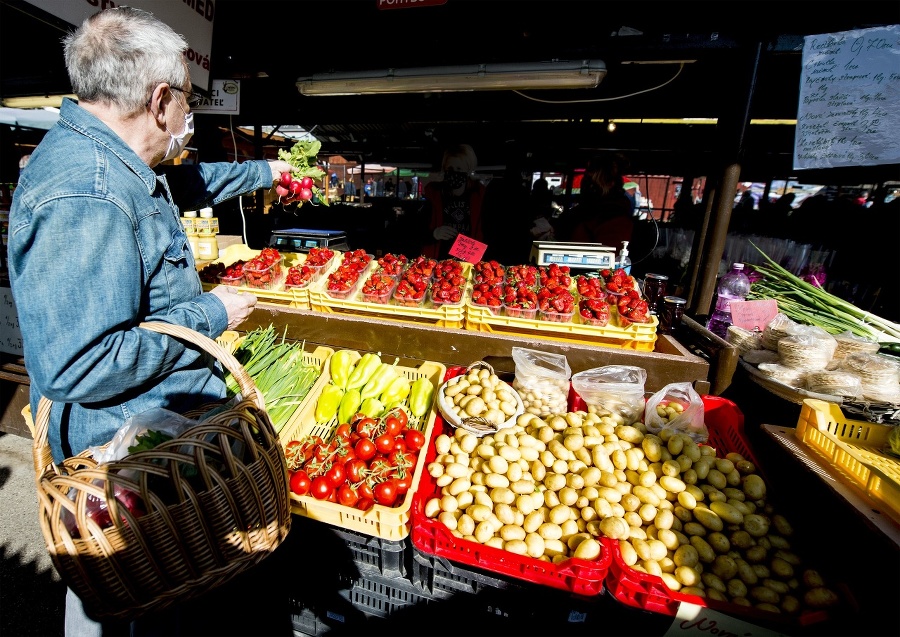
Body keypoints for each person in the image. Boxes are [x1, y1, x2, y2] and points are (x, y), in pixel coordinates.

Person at [7, 7, 293, 635]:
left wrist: (267, 172)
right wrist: (209, 312)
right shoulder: (88, 193)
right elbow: (78, 364)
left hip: (143, 443)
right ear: (160, 99)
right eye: (186, 100)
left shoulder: (120, 163)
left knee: (132, 605)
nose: (186, 116)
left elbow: (190, 182)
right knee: (131, 608)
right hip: (121, 461)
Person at [420, 143, 486, 259]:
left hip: (469, 259)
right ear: (444, 169)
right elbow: (416, 231)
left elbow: (487, 231)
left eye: (459, 169)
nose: (454, 172)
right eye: (450, 169)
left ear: (468, 170)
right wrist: (434, 234)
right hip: (438, 259)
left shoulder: (480, 196)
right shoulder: (434, 195)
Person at [557, 152, 635, 249]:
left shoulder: (615, 217)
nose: (584, 182)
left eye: (589, 178)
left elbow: (608, 256)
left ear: (610, 183)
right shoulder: (583, 211)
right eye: (586, 177)